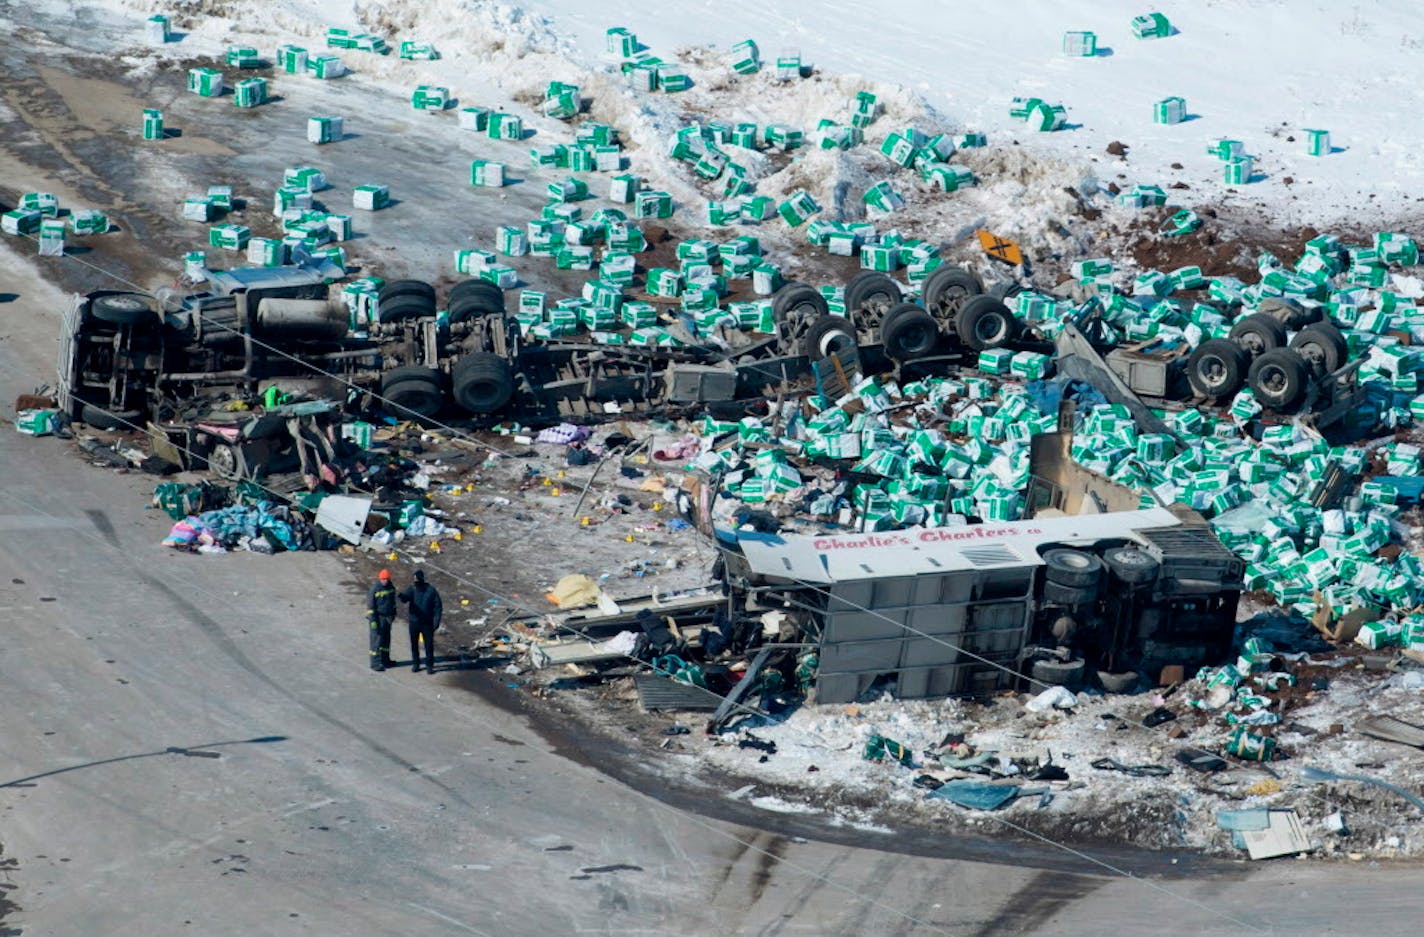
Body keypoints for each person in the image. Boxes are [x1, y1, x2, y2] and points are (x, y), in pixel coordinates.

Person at [399, 569, 442, 673]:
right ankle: (416, 664)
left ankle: (429, 665)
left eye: (417, 579)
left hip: (427, 623)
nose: (415, 581)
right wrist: (401, 596)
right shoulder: (412, 588)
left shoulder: (431, 590)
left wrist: (436, 622)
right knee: (414, 644)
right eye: (414, 579)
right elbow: (405, 599)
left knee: (429, 645)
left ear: (422, 579)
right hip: (414, 622)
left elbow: (438, 607)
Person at [366, 569, 397, 672]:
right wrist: (373, 620)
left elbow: (393, 602)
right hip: (378, 618)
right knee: (376, 641)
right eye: (383, 579)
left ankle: (385, 660)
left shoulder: (391, 587)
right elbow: (370, 606)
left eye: (387, 579)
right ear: (380, 579)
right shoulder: (375, 589)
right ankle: (375, 663)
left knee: (386, 640)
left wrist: (393, 614)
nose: (385, 581)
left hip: (387, 618)